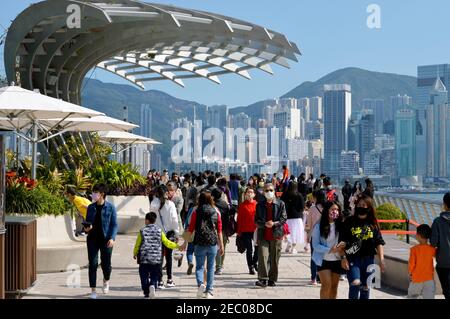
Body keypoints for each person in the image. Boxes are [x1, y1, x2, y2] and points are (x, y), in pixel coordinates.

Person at [340, 194, 386, 299]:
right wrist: (343, 258)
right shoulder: (349, 221)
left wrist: (381, 259)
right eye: (359, 204)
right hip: (353, 259)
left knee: (366, 287)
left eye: (364, 205)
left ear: (369, 208)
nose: (361, 207)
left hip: (369, 260)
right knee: (355, 284)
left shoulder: (373, 224)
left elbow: (379, 242)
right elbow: (342, 242)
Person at [180, 191, 224, 299]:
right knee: (210, 267)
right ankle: (209, 291)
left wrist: (185, 243)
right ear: (211, 199)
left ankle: (200, 285)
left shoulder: (196, 211)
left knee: (199, 267)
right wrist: (221, 245)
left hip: (199, 243)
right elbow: (219, 230)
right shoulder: (216, 211)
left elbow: (190, 229)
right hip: (212, 243)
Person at [133, 212, 180, 299]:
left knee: (143, 275)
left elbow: (137, 244)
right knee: (155, 275)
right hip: (156, 259)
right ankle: (153, 286)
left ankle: (146, 291)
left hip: (144, 258)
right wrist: (177, 246)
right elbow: (167, 243)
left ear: (147, 220)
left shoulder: (142, 231)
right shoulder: (159, 231)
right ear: (154, 221)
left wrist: (135, 253)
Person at [84, 183, 118, 299]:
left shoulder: (111, 207)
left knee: (106, 264)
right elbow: (87, 222)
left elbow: (114, 225)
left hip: (106, 240)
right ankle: (93, 290)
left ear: (102, 194)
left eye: (95, 192)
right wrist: (87, 228)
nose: (93, 194)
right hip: (92, 239)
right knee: (93, 264)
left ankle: (106, 280)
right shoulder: (91, 207)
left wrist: (112, 238)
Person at [254, 183, 287, 288]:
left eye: (271, 190)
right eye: (267, 190)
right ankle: (263, 279)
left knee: (274, 258)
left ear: (274, 191)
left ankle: (272, 279)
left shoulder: (280, 204)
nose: (269, 192)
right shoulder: (259, 205)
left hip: (276, 234)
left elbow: (284, 218)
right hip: (263, 234)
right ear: (263, 192)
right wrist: (264, 224)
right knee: (263, 256)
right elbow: (256, 220)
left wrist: (274, 223)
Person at [312, 201, 344, 299]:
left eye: (337, 209)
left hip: (337, 260)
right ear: (327, 211)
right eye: (332, 209)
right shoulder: (318, 226)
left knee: (334, 287)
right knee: (326, 285)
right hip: (323, 260)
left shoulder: (341, 226)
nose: (335, 212)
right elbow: (315, 245)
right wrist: (329, 249)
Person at [150, 185, 180, 288]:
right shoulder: (170, 204)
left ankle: (160, 280)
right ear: (166, 193)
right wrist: (177, 233)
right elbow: (175, 220)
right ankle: (170, 280)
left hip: (157, 233)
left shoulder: (153, 204)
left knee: (159, 257)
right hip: (169, 233)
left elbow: (151, 219)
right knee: (168, 257)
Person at [305, 189, 327, 285]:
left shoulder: (312, 208)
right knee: (324, 256)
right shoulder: (328, 208)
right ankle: (322, 277)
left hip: (314, 235)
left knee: (314, 256)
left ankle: (314, 278)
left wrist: (308, 234)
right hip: (326, 235)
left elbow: (309, 224)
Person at [430, 192, 450, 299]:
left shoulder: (438, 222)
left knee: (447, 290)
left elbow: (433, 243)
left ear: (445, 205)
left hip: (443, 262)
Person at [408, 224, 436, 299]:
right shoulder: (432, 249)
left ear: (418, 235)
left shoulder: (414, 249)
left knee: (412, 296)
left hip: (416, 279)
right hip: (429, 279)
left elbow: (411, 264)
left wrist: (410, 273)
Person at [237, 187, 258, 274]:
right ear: (245, 194)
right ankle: (250, 266)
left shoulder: (257, 204)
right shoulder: (242, 205)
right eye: (248, 192)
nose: (250, 194)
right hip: (245, 230)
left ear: (254, 194)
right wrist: (239, 231)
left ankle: (254, 262)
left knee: (258, 248)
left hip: (255, 230)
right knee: (249, 249)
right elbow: (239, 219)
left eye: (251, 192)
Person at [281, 182, 306, 254]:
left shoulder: (284, 194)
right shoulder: (299, 195)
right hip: (297, 217)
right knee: (295, 233)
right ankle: (293, 248)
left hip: (287, 217)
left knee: (288, 232)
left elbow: (281, 205)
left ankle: (288, 245)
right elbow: (302, 206)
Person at [212, 188, 231, 275]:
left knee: (217, 247)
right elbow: (227, 218)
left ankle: (218, 266)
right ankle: (220, 265)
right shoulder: (225, 204)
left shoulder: (212, 204)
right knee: (223, 247)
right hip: (223, 229)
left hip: (214, 229)